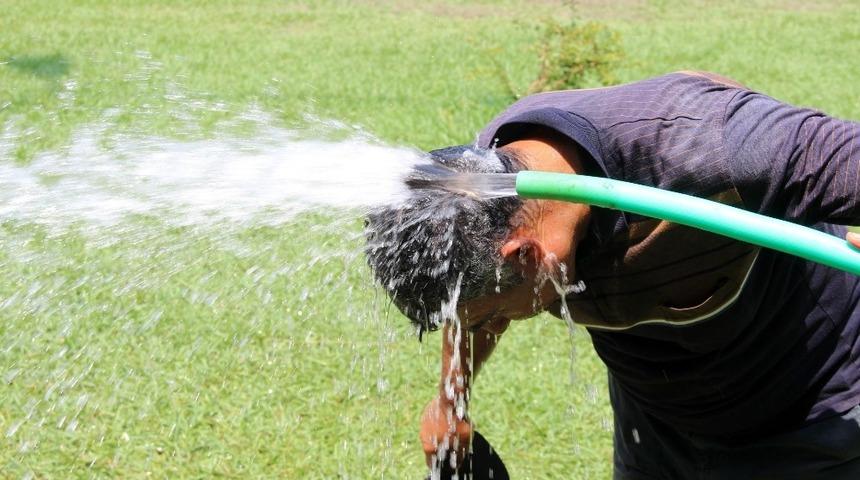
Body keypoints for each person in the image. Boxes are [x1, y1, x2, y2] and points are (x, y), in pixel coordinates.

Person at [364, 71, 860, 479]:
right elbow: (467, 300)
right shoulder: (484, 189)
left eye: (493, 315)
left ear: (528, 257)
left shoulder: (712, 146)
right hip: (656, 423)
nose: (491, 326)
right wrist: (452, 400)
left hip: (810, 409)